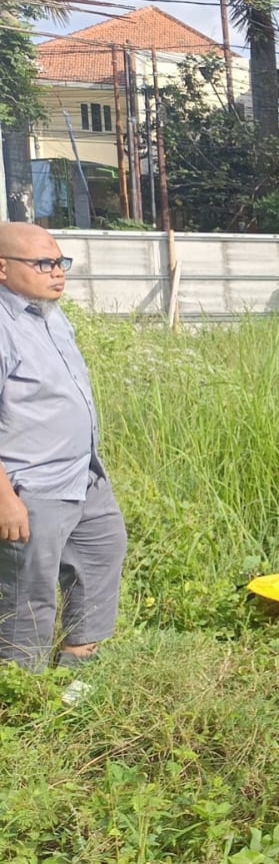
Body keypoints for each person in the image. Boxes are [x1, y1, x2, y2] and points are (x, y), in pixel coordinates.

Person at [0, 223, 127, 673]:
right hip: (30, 487)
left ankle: (77, 670)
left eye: (60, 262)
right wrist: (5, 499)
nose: (58, 273)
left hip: (82, 474)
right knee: (27, 594)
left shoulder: (50, 314)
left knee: (102, 550)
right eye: (43, 264)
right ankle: (22, 693)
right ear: (2, 269)